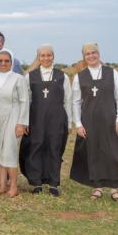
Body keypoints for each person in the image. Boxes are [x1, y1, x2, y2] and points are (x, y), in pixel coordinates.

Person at [70, 43, 118, 202]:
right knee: (94, 154)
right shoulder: (80, 76)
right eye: (87, 54)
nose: (91, 56)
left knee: (113, 154)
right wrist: (78, 123)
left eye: (94, 53)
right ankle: (96, 187)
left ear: (99, 54)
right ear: (84, 57)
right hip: (89, 122)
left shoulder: (112, 73)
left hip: (110, 121)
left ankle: (114, 188)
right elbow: (75, 102)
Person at [20, 44, 72, 196]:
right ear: (39, 57)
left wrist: (69, 123)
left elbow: (67, 100)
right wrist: (25, 121)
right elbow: (26, 101)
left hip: (57, 119)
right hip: (36, 119)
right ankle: (36, 183)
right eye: (42, 56)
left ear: (53, 56)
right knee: (36, 148)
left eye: (49, 55)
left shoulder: (62, 76)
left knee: (54, 149)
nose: (46, 58)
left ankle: (53, 183)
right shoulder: (30, 76)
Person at [0, 49, 29, 197]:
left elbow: (24, 101)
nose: (3, 63)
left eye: (7, 61)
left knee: (9, 151)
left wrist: (21, 123)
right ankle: (3, 185)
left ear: (12, 62)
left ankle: (14, 186)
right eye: (0, 60)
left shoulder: (18, 79)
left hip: (13, 116)